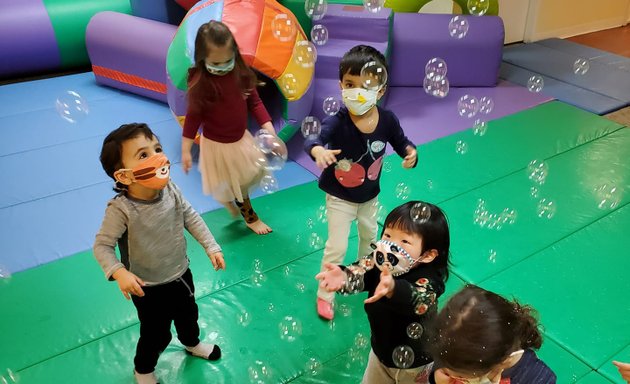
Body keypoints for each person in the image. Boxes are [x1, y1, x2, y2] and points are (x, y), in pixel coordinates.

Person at [94, 123, 226, 384]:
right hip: (148, 287)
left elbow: (191, 217)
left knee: (189, 315)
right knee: (156, 334)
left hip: (180, 273)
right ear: (124, 176)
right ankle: (143, 369)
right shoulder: (121, 210)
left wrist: (211, 246)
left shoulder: (171, 190)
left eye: (157, 148)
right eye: (143, 155)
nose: (157, 157)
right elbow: (102, 246)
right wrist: (119, 272)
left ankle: (192, 344)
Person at [305, 45, 418, 319]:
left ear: (380, 90)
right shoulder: (338, 120)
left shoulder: (387, 119)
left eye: (365, 85)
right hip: (340, 197)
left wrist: (410, 152)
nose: (356, 91)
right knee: (337, 246)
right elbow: (316, 137)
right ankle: (325, 293)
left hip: (369, 196)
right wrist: (317, 149)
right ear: (341, 86)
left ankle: (364, 280)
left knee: (370, 241)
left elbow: (401, 141)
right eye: (349, 84)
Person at [316, 201, 450, 384]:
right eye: (387, 235)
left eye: (404, 241)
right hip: (381, 352)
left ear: (427, 255)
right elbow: (363, 270)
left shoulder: (430, 279)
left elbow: (420, 301)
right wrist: (344, 276)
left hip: (417, 361)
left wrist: (394, 289)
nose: (390, 246)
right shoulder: (382, 260)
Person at [182, 20, 276, 235]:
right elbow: (192, 118)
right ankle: (251, 218)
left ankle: (228, 197)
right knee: (239, 184)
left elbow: (255, 103)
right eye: (216, 63)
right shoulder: (201, 83)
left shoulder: (240, 74)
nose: (222, 67)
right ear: (202, 59)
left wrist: (268, 128)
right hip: (218, 146)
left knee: (253, 173)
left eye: (228, 61)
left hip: (240, 140)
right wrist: (186, 149)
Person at [428, 285, 556, 384]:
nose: (448, 371)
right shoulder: (453, 347)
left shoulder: (537, 377)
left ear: (500, 362)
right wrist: (436, 378)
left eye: (461, 377)